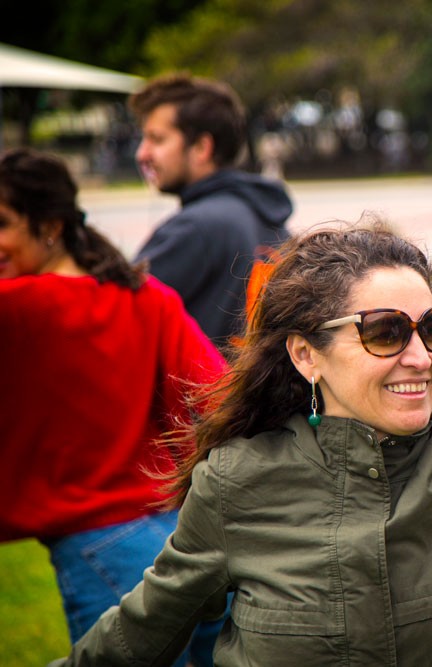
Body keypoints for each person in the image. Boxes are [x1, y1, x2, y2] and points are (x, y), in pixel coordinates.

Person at [51, 205, 432, 665]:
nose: (420, 356)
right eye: (384, 332)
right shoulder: (236, 483)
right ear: (306, 355)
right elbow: (136, 639)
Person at [0, 147, 228, 667]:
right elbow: (219, 395)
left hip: (100, 551)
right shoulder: (148, 296)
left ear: (51, 225)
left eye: (2, 223)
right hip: (188, 538)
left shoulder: (16, 308)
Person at [128, 73, 293, 348]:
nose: (141, 154)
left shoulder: (196, 227)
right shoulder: (262, 211)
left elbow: (115, 314)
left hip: (205, 390)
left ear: (202, 147)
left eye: (156, 139)